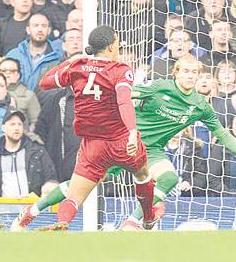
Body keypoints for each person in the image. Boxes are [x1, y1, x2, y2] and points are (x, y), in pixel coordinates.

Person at [15, 54, 236, 231]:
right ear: (176, 73)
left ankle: (132, 222)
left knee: (169, 177)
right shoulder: (159, 87)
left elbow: (222, 131)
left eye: (195, 72)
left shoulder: (199, 105)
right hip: (122, 145)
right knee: (78, 188)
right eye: (186, 71)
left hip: (151, 152)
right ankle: (32, 211)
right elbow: (125, 94)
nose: (191, 76)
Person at [11, 25, 154, 231]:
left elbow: (44, 82)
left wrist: (67, 63)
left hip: (92, 145)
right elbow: (124, 101)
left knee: (74, 196)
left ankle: (62, 222)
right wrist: (132, 131)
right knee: (142, 175)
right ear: (112, 46)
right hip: (120, 140)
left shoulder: (77, 67)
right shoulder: (120, 70)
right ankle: (147, 218)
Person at [0, 109, 57, 197]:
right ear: (3, 127)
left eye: (19, 124)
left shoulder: (37, 151)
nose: (16, 128)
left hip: (32, 207)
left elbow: (51, 178)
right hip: (2, 209)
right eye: (12, 124)